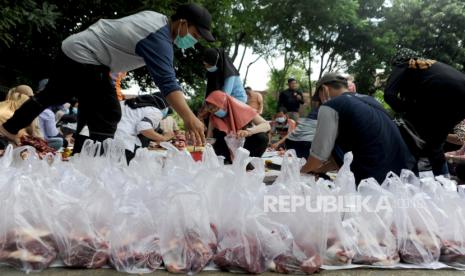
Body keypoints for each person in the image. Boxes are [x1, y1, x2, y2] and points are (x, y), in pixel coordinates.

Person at [0, 3, 214, 151]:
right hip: (86, 56)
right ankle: (91, 163)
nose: (193, 41)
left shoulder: (156, 20)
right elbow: (168, 83)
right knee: (108, 111)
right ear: (183, 23)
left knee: (52, 96)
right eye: (194, 35)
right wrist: (189, 117)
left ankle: (8, 129)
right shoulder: (159, 38)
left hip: (75, 50)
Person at [301, 73, 416, 184]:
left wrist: (299, 172)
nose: (320, 101)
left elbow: (318, 157)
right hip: (406, 176)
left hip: (373, 182)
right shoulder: (370, 100)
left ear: (324, 89)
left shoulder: (331, 106)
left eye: (319, 97)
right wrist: (319, 169)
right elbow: (358, 151)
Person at [384, 48, 465, 176]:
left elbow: (389, 95)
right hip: (459, 99)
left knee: (408, 135)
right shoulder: (431, 67)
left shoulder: (404, 63)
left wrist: (407, 109)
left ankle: (409, 177)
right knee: (434, 145)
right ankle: (444, 183)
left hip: (440, 95)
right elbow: (461, 137)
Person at [205, 91, 270, 163]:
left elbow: (266, 125)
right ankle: (226, 160)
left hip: (244, 147)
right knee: (217, 133)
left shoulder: (244, 109)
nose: (214, 111)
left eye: (215, 107)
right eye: (211, 109)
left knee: (261, 137)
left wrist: (248, 132)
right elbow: (209, 138)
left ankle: (249, 163)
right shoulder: (213, 117)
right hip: (225, 152)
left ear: (224, 103)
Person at [114, 93, 174, 163]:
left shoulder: (126, 103)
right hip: (123, 144)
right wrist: (163, 138)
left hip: (108, 138)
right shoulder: (156, 111)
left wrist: (161, 132)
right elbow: (144, 128)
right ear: (164, 106)